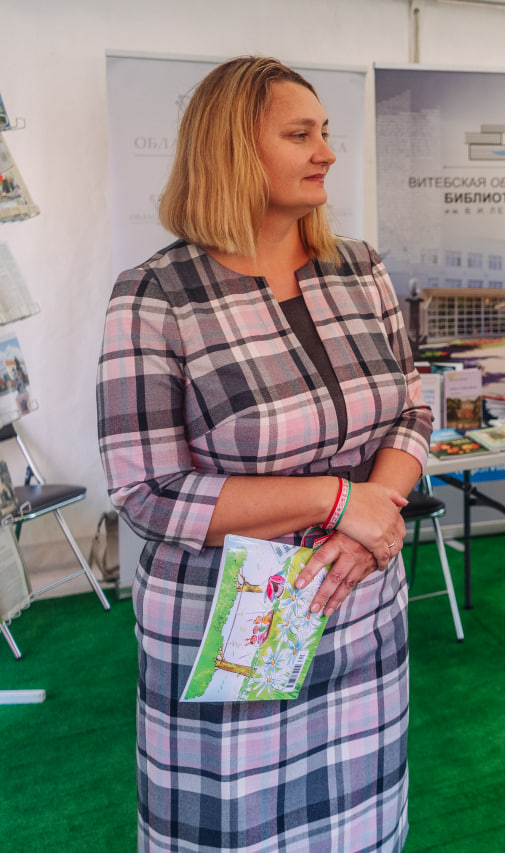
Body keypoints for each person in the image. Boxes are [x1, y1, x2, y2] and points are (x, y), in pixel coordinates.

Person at [96, 56, 432, 852]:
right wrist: (338, 501)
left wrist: (367, 525)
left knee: (359, 821)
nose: (327, 152)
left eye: (325, 132)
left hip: (357, 600)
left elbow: (411, 410)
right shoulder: (156, 294)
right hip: (231, 622)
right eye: (300, 134)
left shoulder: (361, 269)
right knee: (237, 828)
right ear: (232, 150)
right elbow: (146, 490)